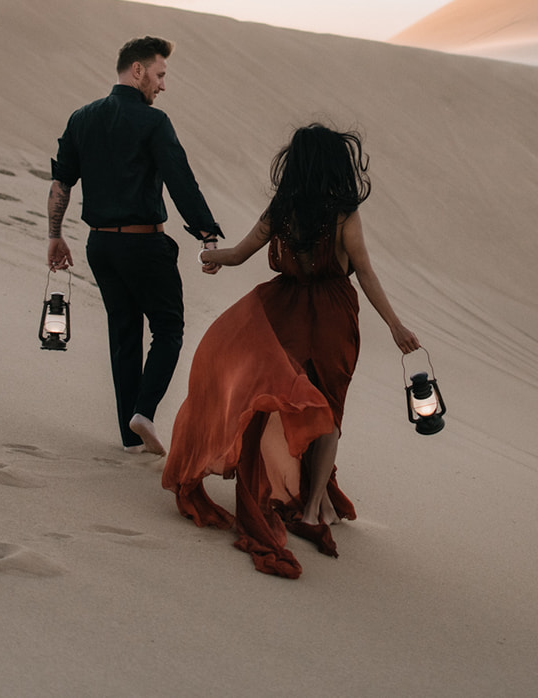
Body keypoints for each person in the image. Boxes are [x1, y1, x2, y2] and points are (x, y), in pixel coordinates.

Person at [161, 124, 420, 578]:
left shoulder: (281, 209)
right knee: (329, 411)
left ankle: (303, 502)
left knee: (283, 400)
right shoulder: (344, 216)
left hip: (282, 314)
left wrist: (209, 258)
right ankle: (313, 505)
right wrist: (395, 325)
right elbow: (365, 274)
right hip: (335, 319)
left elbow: (239, 254)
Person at [47, 35, 224, 456]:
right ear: (138, 70)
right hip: (144, 246)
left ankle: (129, 437)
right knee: (168, 329)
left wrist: (54, 235)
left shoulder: (81, 118)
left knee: (123, 334)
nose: (163, 85)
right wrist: (207, 233)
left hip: (100, 248)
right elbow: (181, 180)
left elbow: (61, 183)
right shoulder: (153, 123)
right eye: (160, 75)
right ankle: (144, 412)